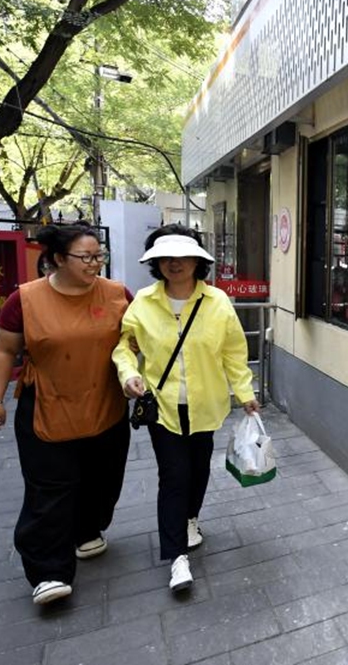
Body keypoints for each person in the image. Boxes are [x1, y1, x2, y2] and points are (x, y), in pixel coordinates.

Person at [0, 222, 132, 606]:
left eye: (99, 255)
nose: (95, 263)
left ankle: (86, 530)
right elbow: (3, 350)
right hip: (47, 406)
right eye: (86, 257)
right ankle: (48, 570)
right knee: (50, 489)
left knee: (103, 481)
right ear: (56, 259)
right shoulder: (26, 300)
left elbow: (137, 341)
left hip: (105, 404)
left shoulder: (117, 294)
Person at [113, 224, 259, 593]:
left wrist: (244, 393)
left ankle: (191, 518)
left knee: (198, 470)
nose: (173, 263)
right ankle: (176, 558)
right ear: (156, 262)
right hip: (162, 408)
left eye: (182, 256)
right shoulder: (143, 303)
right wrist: (129, 374)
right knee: (173, 476)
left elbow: (234, 354)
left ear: (198, 261)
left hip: (206, 406)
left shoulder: (218, 303)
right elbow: (125, 347)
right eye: (166, 257)